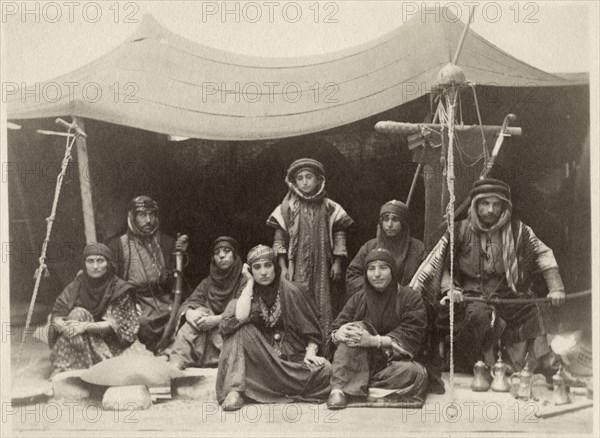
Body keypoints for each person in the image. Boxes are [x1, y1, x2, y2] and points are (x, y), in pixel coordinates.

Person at [410, 178, 566, 372]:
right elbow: (440, 264)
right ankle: (485, 368)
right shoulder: (458, 230)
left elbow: (544, 255)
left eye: (496, 204)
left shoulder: (519, 231)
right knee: (480, 316)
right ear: (475, 205)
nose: (491, 210)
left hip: (509, 294)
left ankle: (535, 365)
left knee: (538, 309)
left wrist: (556, 288)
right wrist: (450, 289)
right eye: (485, 203)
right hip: (470, 296)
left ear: (504, 207)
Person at [216, 245, 331, 411]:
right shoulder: (247, 294)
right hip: (262, 360)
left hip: (289, 360)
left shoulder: (293, 291)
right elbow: (238, 318)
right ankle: (235, 390)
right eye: (257, 267)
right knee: (239, 330)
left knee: (326, 370)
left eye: (268, 265)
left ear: (275, 267)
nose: (263, 272)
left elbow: (312, 332)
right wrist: (248, 283)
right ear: (250, 270)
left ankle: (260, 389)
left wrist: (310, 353)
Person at [326, 248, 428, 409]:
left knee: (415, 374)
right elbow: (336, 327)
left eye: (383, 268)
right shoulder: (359, 298)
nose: (377, 274)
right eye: (371, 269)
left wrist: (374, 341)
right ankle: (340, 389)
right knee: (355, 327)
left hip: (390, 363)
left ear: (393, 271)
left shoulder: (410, 297)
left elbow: (413, 332)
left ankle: (355, 386)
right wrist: (338, 334)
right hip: (358, 360)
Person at [267, 158, 354, 333]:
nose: (305, 182)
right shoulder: (287, 208)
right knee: (298, 298)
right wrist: (283, 266)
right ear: (294, 182)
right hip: (296, 264)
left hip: (324, 264)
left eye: (309, 177)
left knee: (324, 299)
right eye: (300, 178)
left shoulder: (330, 207)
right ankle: (302, 343)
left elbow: (339, 234)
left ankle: (325, 343)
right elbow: (280, 238)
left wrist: (337, 262)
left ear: (318, 180)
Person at [49, 243, 147, 375]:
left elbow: (117, 325)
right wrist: (71, 331)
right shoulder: (77, 285)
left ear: (108, 263)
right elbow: (56, 318)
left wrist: (84, 326)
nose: (95, 266)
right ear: (84, 264)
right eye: (90, 261)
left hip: (114, 343)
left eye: (100, 261)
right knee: (77, 313)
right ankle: (70, 370)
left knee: (134, 368)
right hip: (81, 338)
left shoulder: (119, 288)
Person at [107, 195, 189, 353]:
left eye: (152, 214)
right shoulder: (118, 245)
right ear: (132, 217)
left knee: (185, 318)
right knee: (142, 323)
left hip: (165, 302)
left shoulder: (166, 242)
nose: (148, 220)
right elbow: (113, 282)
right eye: (142, 215)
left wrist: (180, 254)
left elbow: (176, 282)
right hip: (135, 303)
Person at [162, 237, 246, 369]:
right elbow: (190, 301)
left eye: (227, 251)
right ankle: (177, 363)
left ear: (235, 255)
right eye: (217, 253)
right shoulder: (208, 282)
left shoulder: (244, 280)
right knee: (196, 317)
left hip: (232, 331)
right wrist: (190, 313)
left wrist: (217, 319)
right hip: (209, 333)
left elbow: (244, 310)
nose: (222, 256)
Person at [346, 200, 426, 297]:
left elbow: (428, 277)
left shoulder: (417, 248)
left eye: (395, 219)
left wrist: (406, 293)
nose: (389, 224)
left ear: (403, 223)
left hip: (406, 302)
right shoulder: (370, 246)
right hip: (375, 302)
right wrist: (376, 287)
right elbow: (352, 275)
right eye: (386, 219)